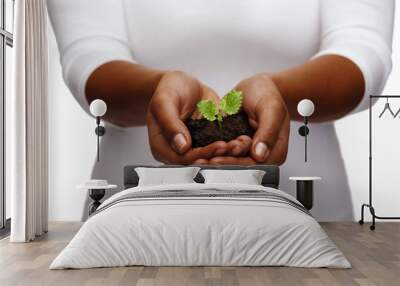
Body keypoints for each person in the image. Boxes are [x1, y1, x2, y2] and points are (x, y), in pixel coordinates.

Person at [47, 0, 394, 221]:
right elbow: (88, 58)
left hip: (312, 212)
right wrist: (157, 92)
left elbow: (363, 53)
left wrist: (281, 97)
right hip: (133, 216)